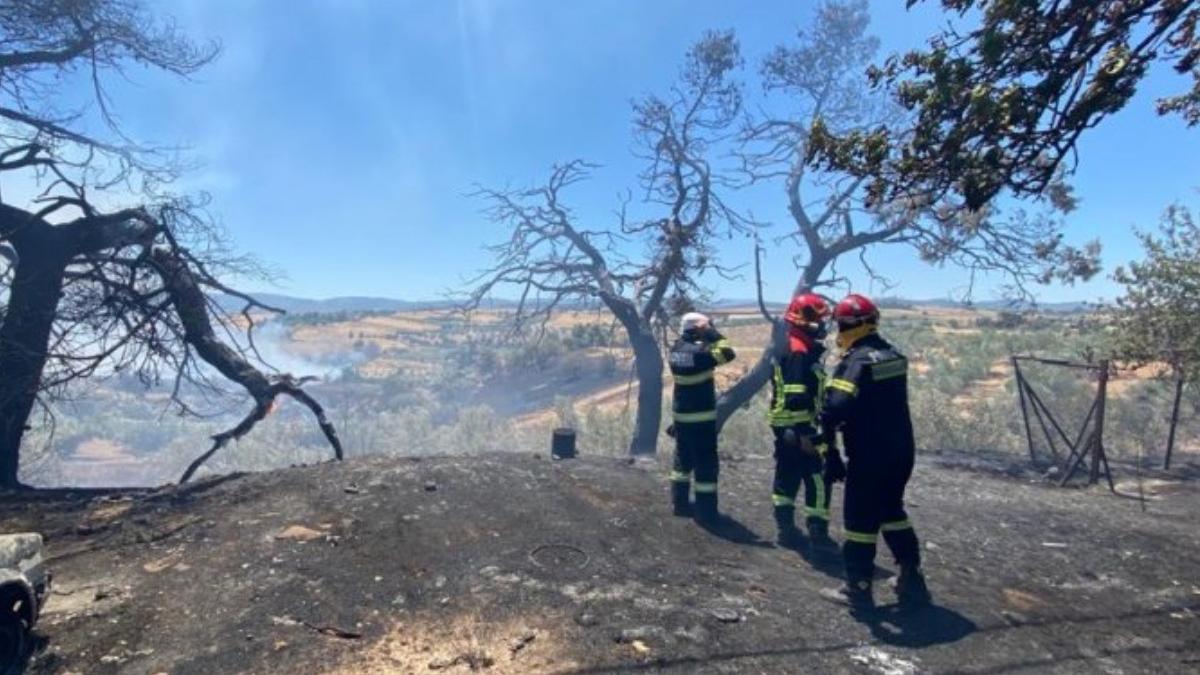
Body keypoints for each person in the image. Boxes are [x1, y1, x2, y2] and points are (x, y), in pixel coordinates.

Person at [819, 293, 931, 611]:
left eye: (840, 324)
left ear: (849, 325)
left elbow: (836, 408)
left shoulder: (856, 361)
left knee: (859, 520)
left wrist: (829, 449)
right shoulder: (894, 356)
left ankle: (858, 588)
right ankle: (912, 577)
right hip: (900, 452)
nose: (838, 331)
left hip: (869, 455)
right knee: (892, 511)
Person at [767, 294, 835, 550]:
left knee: (786, 477)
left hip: (786, 427)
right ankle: (818, 535)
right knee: (817, 478)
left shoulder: (791, 345)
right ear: (807, 322)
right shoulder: (798, 350)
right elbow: (796, 397)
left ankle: (786, 531)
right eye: (819, 320)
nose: (823, 326)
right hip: (799, 427)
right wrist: (805, 433)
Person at [667, 312, 736, 526]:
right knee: (706, 465)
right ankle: (706, 512)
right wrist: (710, 332)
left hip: (681, 418)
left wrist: (701, 331)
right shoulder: (701, 352)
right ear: (697, 329)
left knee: (682, 461)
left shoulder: (676, 349)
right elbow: (728, 352)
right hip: (701, 419)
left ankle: (680, 505)